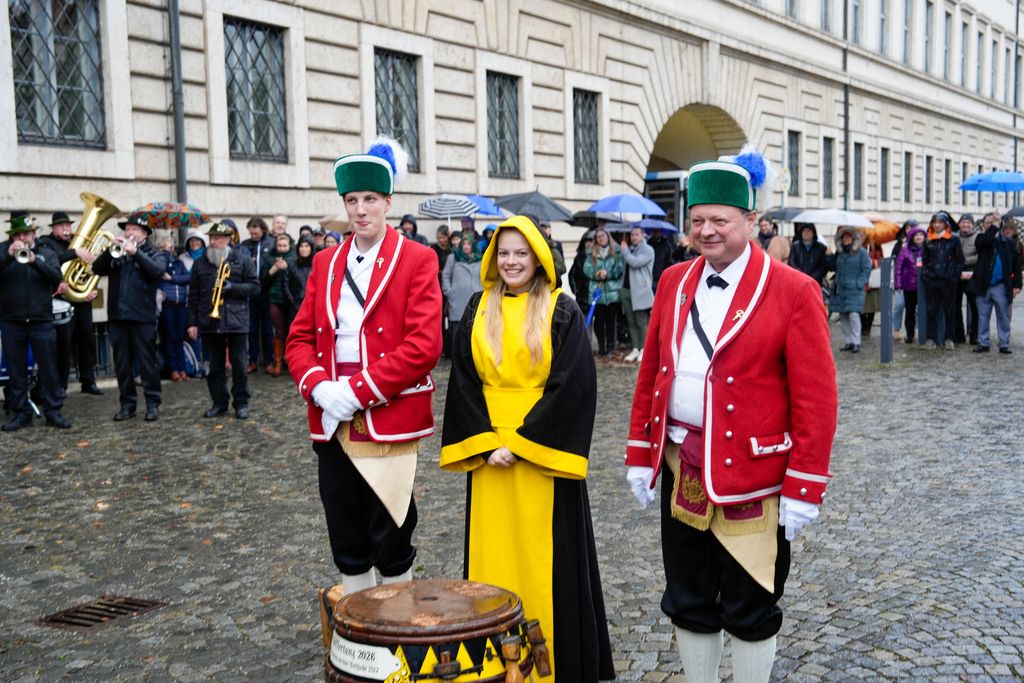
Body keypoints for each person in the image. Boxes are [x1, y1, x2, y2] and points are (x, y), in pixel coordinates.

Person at [624, 153, 837, 683]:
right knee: (688, 596)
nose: (706, 231)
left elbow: (816, 399)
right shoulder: (673, 280)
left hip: (755, 475)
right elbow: (652, 374)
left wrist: (805, 485)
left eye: (719, 219)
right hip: (681, 467)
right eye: (697, 220)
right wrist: (641, 453)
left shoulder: (794, 290)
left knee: (750, 601)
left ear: (750, 220)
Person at [441, 215, 615, 681]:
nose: (512, 261)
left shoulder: (562, 310)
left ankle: (550, 665)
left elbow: (573, 385)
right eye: (504, 253)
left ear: (538, 258)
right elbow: (463, 380)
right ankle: (490, 660)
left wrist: (521, 444)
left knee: (549, 562)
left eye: (521, 253)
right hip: (490, 456)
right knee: (491, 558)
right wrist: (487, 443)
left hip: (542, 457)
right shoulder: (478, 307)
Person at [286, 138, 442, 593]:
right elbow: (298, 338)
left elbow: (424, 345)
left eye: (370, 199)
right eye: (352, 200)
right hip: (330, 414)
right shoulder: (324, 262)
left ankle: (396, 623)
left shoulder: (417, 258)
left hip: (387, 411)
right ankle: (357, 627)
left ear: (388, 202)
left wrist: (355, 393)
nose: (360, 210)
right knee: (344, 530)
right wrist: (320, 387)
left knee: (392, 531)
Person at [0, 211, 70, 430]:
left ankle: (53, 411)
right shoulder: (2, 250)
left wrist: (34, 261)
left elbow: (56, 277)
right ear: (12, 235)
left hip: (41, 320)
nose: (23, 238)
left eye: (27, 234)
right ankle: (22, 413)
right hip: (12, 320)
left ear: (34, 234)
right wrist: (8, 257)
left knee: (49, 369)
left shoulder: (45, 252)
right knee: (16, 371)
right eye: (19, 234)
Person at [92, 214, 164, 421]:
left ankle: (152, 404)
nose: (129, 232)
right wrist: (109, 251)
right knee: (122, 365)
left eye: (134, 229)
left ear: (144, 233)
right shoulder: (118, 252)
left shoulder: (155, 253)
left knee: (147, 364)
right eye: (127, 229)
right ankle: (127, 404)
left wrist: (136, 253)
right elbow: (97, 269)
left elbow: (157, 272)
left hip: (142, 317)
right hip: (118, 316)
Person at [187, 222, 261, 418]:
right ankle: (219, 403)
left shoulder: (241, 259)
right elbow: (193, 295)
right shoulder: (200, 263)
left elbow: (255, 287)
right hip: (210, 321)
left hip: (236, 320)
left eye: (218, 238)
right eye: (211, 238)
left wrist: (232, 288)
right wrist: (192, 322)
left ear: (228, 239)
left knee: (239, 365)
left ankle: (241, 403)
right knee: (214, 366)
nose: (213, 242)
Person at [37, 210, 103, 396]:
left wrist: (92, 289)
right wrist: (74, 252)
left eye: (68, 225)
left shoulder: (79, 242)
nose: (66, 229)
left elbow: (91, 269)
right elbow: (51, 262)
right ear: (54, 228)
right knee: (63, 344)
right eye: (62, 226)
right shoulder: (45, 242)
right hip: (61, 300)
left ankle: (88, 381)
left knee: (87, 340)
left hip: (81, 300)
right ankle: (61, 385)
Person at [969, 217, 1022, 354]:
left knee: (1003, 316)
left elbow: (1016, 264)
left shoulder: (1008, 242)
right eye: (988, 223)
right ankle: (983, 342)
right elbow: (985, 241)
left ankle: (1004, 343)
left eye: (994, 223)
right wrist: (993, 226)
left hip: (1001, 285)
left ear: (1000, 225)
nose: (991, 225)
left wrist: (1017, 284)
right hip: (983, 285)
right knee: (983, 316)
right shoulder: (981, 239)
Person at [921, 211, 965, 350]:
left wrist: (954, 275)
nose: (937, 225)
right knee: (931, 310)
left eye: (940, 222)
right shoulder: (929, 239)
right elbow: (924, 260)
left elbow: (960, 260)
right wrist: (926, 275)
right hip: (932, 280)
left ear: (945, 224)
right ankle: (931, 339)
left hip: (948, 280)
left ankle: (949, 338)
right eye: (935, 222)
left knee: (950, 310)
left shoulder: (953, 239)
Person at [154, 231, 193, 382]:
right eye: (165, 247)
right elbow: (160, 276)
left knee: (179, 337)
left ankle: (182, 368)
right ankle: (173, 369)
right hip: (167, 303)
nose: (169, 250)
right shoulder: (160, 262)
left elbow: (188, 278)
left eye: (170, 247)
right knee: (169, 337)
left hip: (181, 304)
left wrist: (172, 278)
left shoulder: (179, 263)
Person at [828, 226, 871, 353]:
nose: (846, 239)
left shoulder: (862, 252)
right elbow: (833, 267)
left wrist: (859, 283)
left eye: (848, 237)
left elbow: (866, 269)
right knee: (843, 315)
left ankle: (856, 342)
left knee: (853, 314)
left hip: (854, 289)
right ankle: (849, 341)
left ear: (853, 238)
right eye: (843, 237)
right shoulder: (840, 252)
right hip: (840, 289)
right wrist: (829, 256)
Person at [583, 226, 623, 355]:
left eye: (603, 236)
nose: (601, 239)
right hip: (597, 293)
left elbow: (619, 269)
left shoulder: (617, 251)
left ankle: (611, 346)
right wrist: (597, 274)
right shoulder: (591, 253)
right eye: (598, 237)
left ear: (608, 237)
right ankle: (601, 346)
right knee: (599, 322)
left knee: (611, 321)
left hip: (612, 293)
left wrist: (608, 273)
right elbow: (587, 269)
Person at [241, 217, 274, 373]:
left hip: (267, 291)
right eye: (251, 233)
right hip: (250, 291)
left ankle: (269, 360)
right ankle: (252, 360)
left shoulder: (271, 243)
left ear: (263, 229)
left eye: (256, 232)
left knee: (268, 328)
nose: (253, 235)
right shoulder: (245, 245)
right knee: (252, 328)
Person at [440, 234, 483, 351]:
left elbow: (484, 277)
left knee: (473, 332)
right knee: (456, 334)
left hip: (475, 300)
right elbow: (446, 276)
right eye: (463, 244)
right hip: (457, 300)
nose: (466, 246)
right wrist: (449, 292)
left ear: (473, 245)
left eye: (468, 244)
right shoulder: (453, 258)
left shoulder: (480, 259)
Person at [620, 226, 655, 362]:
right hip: (626, 290)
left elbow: (635, 263)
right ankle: (635, 348)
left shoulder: (648, 250)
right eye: (632, 234)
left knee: (641, 322)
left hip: (640, 292)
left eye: (636, 234)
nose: (633, 237)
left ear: (642, 235)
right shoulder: (630, 249)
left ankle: (644, 349)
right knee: (631, 321)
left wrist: (625, 251)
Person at [263, 232, 295, 377]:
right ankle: (278, 361)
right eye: (279, 246)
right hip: (275, 298)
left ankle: (291, 361)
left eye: (284, 246)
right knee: (279, 331)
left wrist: (287, 267)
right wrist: (274, 269)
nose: (282, 248)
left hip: (291, 299)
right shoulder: (269, 258)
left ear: (289, 246)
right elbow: (263, 282)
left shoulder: (294, 258)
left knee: (291, 331)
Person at [894, 225, 926, 344]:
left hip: (924, 286)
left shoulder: (928, 249)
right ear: (912, 237)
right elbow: (898, 268)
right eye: (916, 235)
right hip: (909, 286)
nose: (919, 237)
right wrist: (898, 285)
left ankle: (923, 333)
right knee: (910, 312)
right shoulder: (905, 250)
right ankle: (910, 334)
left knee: (923, 311)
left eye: (921, 235)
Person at [956, 214, 979, 345]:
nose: (965, 224)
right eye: (963, 222)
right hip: (957, 275)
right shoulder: (955, 237)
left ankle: (974, 335)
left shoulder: (978, 237)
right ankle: (959, 334)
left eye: (968, 222)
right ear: (959, 224)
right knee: (956, 306)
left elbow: (980, 256)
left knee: (974, 306)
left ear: (972, 225)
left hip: (972, 274)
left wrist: (964, 260)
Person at [568, 229, 595, 313]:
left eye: (590, 241)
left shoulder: (599, 256)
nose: (588, 244)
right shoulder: (579, 257)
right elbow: (571, 274)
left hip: (595, 293)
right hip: (582, 295)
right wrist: (575, 290)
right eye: (586, 241)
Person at [287, 236, 315, 314]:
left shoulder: (316, 265)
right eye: (301, 246)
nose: (303, 249)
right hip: (295, 305)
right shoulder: (292, 265)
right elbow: (285, 284)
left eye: (306, 246)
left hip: (312, 304)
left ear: (311, 248)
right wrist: (292, 300)